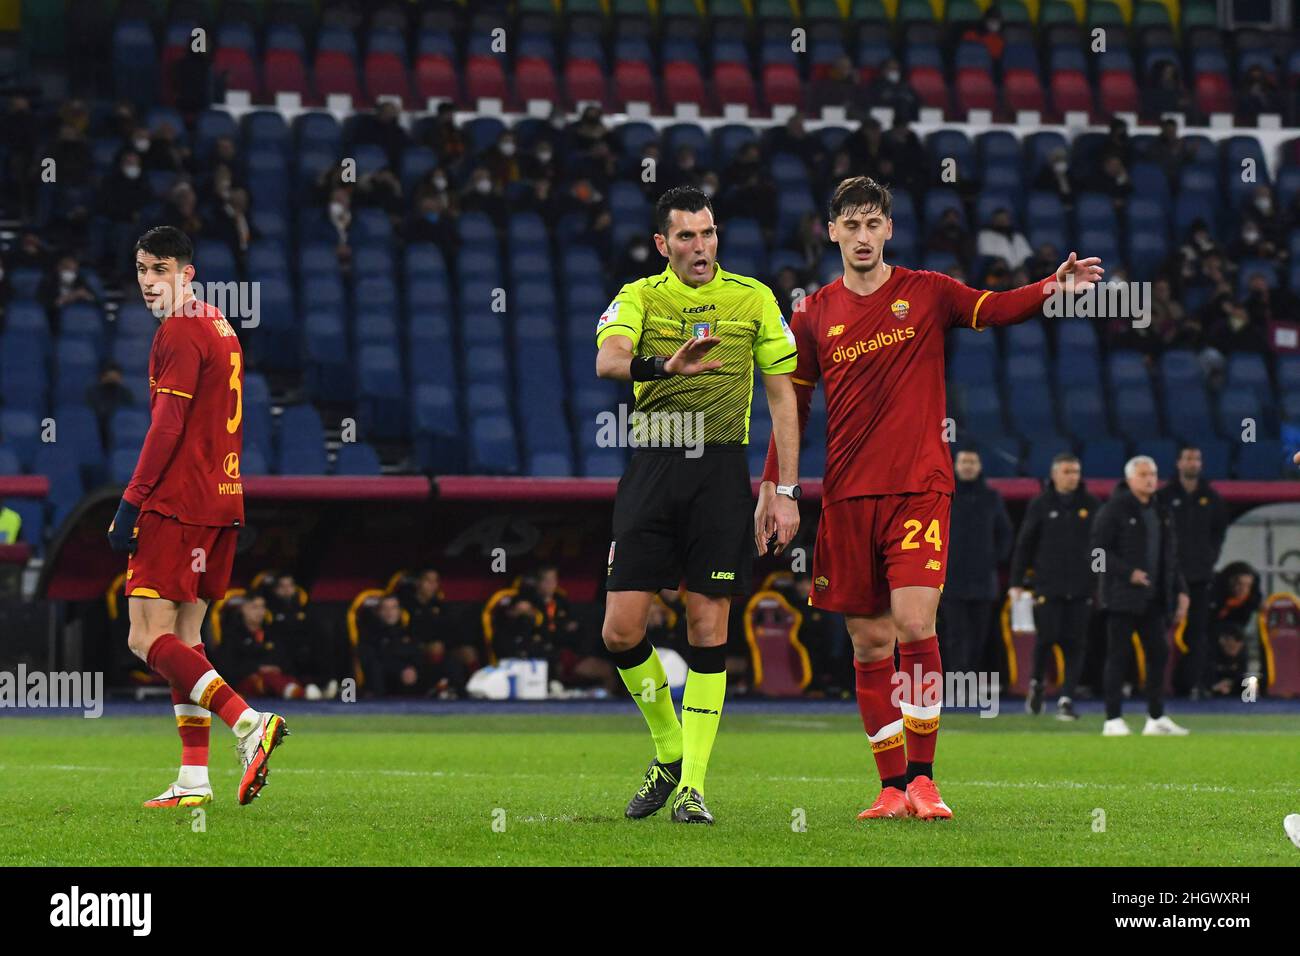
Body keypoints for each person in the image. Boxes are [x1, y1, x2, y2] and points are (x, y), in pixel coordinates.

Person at [755, 174, 1103, 820]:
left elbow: (993, 307)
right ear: (832, 232)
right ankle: (890, 788)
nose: (862, 236)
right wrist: (779, 491)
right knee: (868, 642)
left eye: (873, 224)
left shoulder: (928, 292)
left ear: (889, 229)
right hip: (848, 496)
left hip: (920, 487)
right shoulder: (811, 313)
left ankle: (924, 778)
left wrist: (1052, 287)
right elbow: (790, 407)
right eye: (850, 225)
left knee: (916, 624)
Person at [595, 185, 802, 824]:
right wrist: (666, 367)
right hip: (654, 463)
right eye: (687, 236)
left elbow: (783, 398)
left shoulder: (754, 297)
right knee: (621, 628)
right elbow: (609, 361)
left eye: (708, 233)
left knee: (708, 626)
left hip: (719, 470)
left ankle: (694, 787)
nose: (701, 246)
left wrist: (785, 490)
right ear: (664, 244)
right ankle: (668, 747)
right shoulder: (640, 295)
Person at [106, 226, 287, 809]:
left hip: (178, 501)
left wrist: (131, 500)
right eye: (140, 269)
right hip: (222, 497)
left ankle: (247, 722)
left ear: (187, 272)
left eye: (159, 269)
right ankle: (192, 779)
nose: (148, 281)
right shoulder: (219, 323)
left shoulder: (179, 332)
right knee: (186, 637)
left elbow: (166, 427)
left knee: (144, 636)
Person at [1092, 456, 1190, 737]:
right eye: (1144, 474)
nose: (1150, 479)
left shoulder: (1161, 511)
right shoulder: (1113, 510)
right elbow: (1096, 554)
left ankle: (1155, 717)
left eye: (1154, 473)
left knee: (1159, 655)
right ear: (1130, 479)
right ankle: (1113, 719)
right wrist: (1128, 573)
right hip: (1122, 597)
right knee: (1118, 657)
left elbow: (1170, 556)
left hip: (1155, 597)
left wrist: (1180, 590)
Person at [1009, 452, 1100, 721]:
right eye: (1067, 471)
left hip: (1082, 587)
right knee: (1046, 639)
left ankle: (1066, 698)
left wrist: (1099, 578)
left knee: (1076, 644)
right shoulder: (1040, 504)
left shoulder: (1091, 504)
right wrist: (1016, 582)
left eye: (1076, 471)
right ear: (1054, 474)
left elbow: (1101, 547)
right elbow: (1025, 544)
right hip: (1048, 586)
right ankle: (1037, 682)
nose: (1072, 477)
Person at [1156, 445, 1228, 699]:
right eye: (1187, 458)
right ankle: (1154, 683)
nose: (1192, 463)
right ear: (1178, 463)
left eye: (1196, 458)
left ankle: (1193, 683)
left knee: (1198, 633)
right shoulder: (1164, 497)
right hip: (1167, 577)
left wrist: (1209, 558)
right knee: (1157, 631)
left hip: (1199, 575)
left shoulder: (1211, 497)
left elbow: (1219, 532)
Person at [941, 449, 1012, 676]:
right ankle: (955, 680)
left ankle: (971, 679)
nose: (968, 466)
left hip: (983, 580)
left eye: (972, 461)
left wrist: (993, 559)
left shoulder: (992, 497)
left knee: (979, 635)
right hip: (951, 579)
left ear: (979, 466)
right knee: (954, 634)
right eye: (964, 461)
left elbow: (1005, 533)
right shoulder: (945, 496)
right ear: (956, 465)